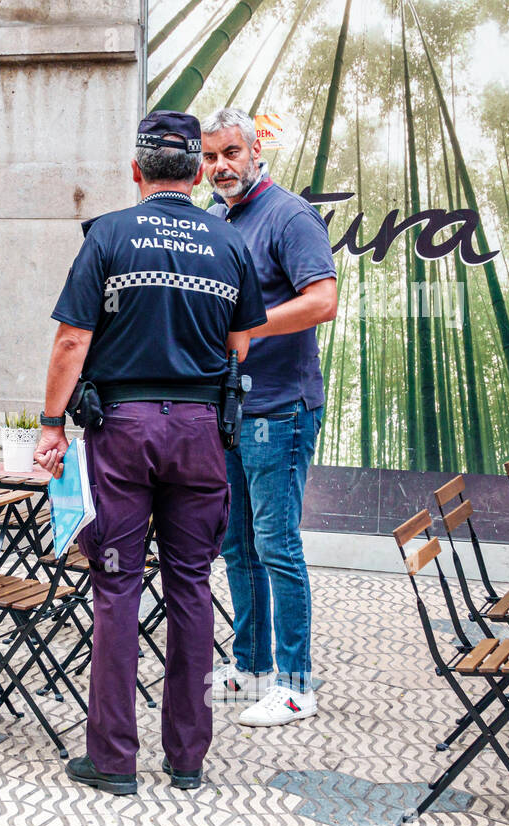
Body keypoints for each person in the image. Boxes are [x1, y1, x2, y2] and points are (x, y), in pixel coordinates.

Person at [34, 111, 267, 795]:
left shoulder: (107, 235)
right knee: (192, 586)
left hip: (124, 435)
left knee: (116, 587)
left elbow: (72, 342)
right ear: (197, 174)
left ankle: (112, 761)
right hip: (199, 435)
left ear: (135, 171)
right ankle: (188, 760)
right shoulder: (227, 243)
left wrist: (52, 425)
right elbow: (242, 343)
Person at [200, 107, 338, 726]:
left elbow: (323, 301)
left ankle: (295, 683)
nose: (220, 166)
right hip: (232, 409)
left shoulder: (289, 214)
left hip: (280, 409)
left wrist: (246, 328)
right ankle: (249, 664)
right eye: (209, 158)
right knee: (237, 544)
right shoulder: (215, 220)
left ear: (255, 151)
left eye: (230, 153)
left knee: (277, 544)